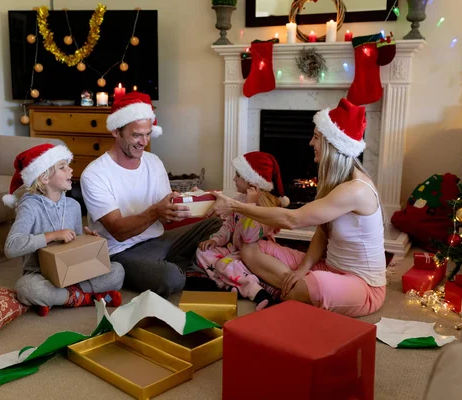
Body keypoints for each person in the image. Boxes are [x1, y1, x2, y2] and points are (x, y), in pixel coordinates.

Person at [208, 98, 386, 317]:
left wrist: (236, 206)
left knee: (311, 285)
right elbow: (322, 232)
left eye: (317, 138)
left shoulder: (355, 189)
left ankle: (280, 290)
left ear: (333, 144)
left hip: (363, 286)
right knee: (251, 249)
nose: (311, 143)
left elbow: (293, 219)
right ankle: (289, 289)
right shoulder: (337, 183)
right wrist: (302, 269)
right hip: (327, 267)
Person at [80, 92, 221, 298]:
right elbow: (118, 231)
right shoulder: (94, 174)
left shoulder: (153, 161)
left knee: (218, 222)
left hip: (158, 238)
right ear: (115, 132)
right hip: (122, 251)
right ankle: (187, 267)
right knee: (170, 278)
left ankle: (181, 263)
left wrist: (190, 203)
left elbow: (165, 216)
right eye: (136, 135)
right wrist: (156, 211)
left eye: (148, 134)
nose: (143, 142)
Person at [3, 144, 125, 316]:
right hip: (42, 276)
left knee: (117, 271)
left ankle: (64, 298)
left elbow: (73, 246)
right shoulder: (29, 206)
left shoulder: (73, 206)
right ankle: (87, 298)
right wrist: (51, 236)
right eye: (62, 167)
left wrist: (86, 240)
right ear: (44, 177)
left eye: (68, 165)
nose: (70, 170)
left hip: (73, 274)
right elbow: (11, 246)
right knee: (26, 288)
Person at [197, 151, 290, 311]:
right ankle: (232, 283)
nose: (234, 179)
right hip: (236, 250)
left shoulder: (266, 208)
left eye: (238, 175)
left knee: (222, 265)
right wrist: (215, 240)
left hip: (255, 254)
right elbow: (228, 227)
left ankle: (257, 291)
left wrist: (250, 206)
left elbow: (249, 237)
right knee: (203, 252)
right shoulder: (238, 200)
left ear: (251, 181)